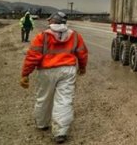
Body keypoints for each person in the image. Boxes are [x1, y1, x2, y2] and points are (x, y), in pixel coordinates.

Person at [20, 11, 88, 143]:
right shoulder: (75, 36)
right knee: (64, 100)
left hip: (46, 71)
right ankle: (60, 132)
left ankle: (42, 124)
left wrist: (25, 73)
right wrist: (83, 67)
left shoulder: (43, 36)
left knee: (44, 97)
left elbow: (32, 56)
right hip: (68, 70)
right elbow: (82, 53)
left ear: (52, 21)